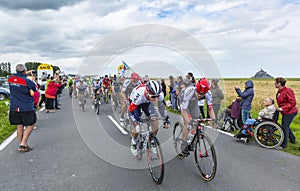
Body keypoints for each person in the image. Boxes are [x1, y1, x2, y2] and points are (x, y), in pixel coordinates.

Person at [128, 80, 170, 156]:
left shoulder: (158, 94)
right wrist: (136, 122)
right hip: (135, 105)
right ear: (147, 92)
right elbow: (131, 109)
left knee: (155, 122)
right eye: (154, 97)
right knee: (137, 127)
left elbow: (161, 107)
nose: (156, 99)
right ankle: (133, 142)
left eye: (157, 96)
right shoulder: (139, 95)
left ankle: (152, 140)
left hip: (148, 103)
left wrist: (166, 119)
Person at [180, 78, 216, 155]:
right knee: (188, 122)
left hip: (193, 103)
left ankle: (192, 138)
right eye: (198, 92)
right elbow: (184, 110)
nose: (200, 95)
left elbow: (210, 109)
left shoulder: (208, 94)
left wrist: (214, 120)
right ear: (196, 88)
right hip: (183, 103)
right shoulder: (189, 91)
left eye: (202, 94)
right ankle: (183, 143)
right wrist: (188, 121)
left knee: (196, 121)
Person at [8, 64, 37, 152]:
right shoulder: (28, 81)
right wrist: (30, 78)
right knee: (31, 123)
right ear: (25, 70)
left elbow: (18, 78)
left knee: (19, 125)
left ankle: (21, 145)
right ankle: (23, 143)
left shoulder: (10, 79)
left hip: (14, 106)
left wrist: (24, 73)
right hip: (26, 106)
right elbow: (34, 89)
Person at [275, 77, 298, 149]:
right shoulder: (279, 91)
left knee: (284, 127)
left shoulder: (288, 90)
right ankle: (293, 140)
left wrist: (282, 108)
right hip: (285, 112)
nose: (274, 84)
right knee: (286, 126)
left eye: (275, 82)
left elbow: (293, 102)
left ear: (279, 83)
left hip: (291, 111)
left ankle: (283, 145)